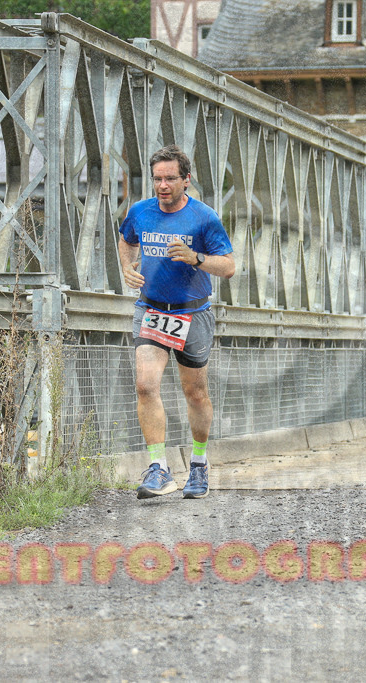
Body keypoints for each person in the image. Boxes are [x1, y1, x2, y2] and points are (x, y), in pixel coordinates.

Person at [118, 145, 235, 499]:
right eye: (157, 179)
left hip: (193, 312)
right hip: (152, 308)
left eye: (170, 178)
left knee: (195, 392)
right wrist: (127, 267)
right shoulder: (140, 212)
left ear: (186, 180)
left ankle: (198, 465)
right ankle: (159, 469)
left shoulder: (204, 218)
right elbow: (126, 240)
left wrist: (197, 258)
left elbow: (228, 266)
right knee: (145, 384)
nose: (163, 185)